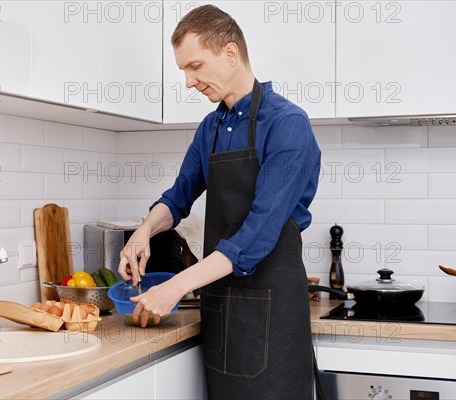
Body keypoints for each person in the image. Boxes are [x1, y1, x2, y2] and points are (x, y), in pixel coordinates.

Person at [118, 4, 321, 399]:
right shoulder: (210, 127)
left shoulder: (287, 124)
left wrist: (174, 286)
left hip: (273, 317)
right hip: (220, 315)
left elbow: (257, 234)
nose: (189, 82)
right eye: (183, 71)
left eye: (195, 66)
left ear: (230, 53)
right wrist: (142, 233)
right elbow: (178, 199)